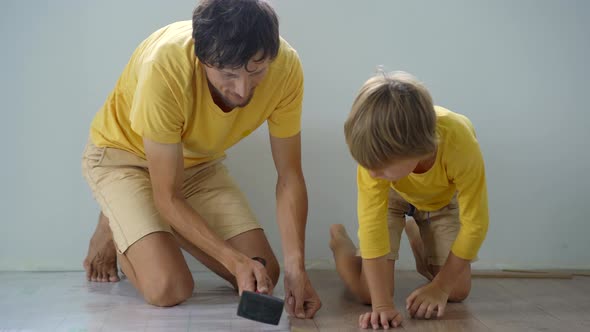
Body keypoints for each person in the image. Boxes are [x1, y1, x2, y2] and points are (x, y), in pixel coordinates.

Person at [81, 0, 321, 318]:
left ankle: (135, 215)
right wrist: (233, 260)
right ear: (201, 56)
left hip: (197, 164)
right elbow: (167, 197)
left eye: (256, 71)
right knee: (168, 287)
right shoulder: (165, 65)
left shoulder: (287, 67)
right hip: (122, 158)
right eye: (227, 74)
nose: (242, 90)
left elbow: (289, 176)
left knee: (265, 273)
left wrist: (296, 268)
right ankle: (116, 219)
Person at [330, 71, 489, 329]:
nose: (371, 173)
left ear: (418, 150)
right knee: (368, 293)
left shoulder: (459, 141)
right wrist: (382, 305)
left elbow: (476, 224)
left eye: (379, 167)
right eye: (367, 165)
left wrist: (440, 286)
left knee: (457, 290)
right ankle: (339, 241)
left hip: (441, 199)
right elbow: (372, 228)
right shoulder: (375, 162)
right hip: (391, 197)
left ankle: (417, 234)